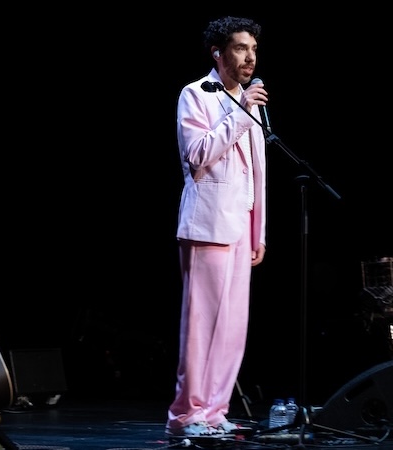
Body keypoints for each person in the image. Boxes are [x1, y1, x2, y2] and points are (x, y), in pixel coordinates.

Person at [166, 16, 268, 438]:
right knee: (202, 327)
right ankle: (186, 415)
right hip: (207, 225)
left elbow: (256, 173)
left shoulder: (249, 102)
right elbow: (197, 155)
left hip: (241, 228)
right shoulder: (196, 94)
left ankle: (214, 410)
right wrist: (241, 114)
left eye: (254, 49)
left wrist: (259, 231)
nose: (250, 57)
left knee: (231, 328)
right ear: (218, 53)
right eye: (241, 48)